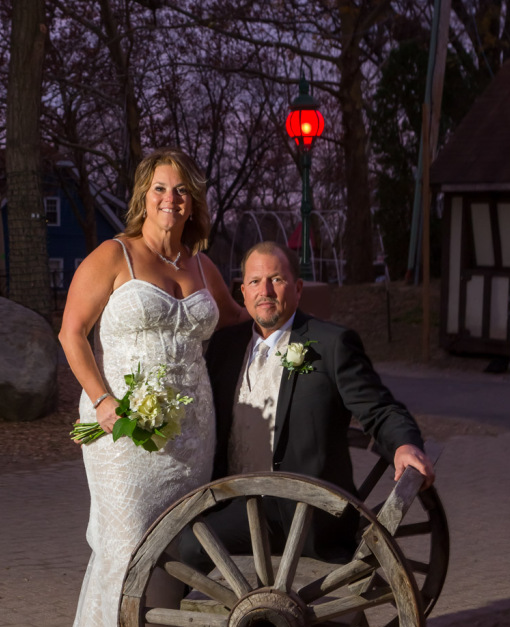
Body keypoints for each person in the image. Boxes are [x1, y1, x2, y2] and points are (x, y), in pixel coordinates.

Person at [59, 148, 245, 627]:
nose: (171, 199)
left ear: (193, 202)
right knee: (126, 539)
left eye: (182, 190)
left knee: (171, 543)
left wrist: (289, 324)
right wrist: (103, 400)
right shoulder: (113, 255)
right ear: (144, 195)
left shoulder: (202, 266)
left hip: (191, 431)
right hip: (123, 427)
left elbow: (237, 318)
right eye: (161, 188)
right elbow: (72, 332)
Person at [180, 241, 434, 568]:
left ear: (298, 289)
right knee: (177, 531)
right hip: (231, 500)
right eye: (255, 281)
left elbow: (380, 409)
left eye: (277, 279)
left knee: (189, 545)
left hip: (302, 512)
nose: (265, 291)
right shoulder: (225, 346)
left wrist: (404, 445)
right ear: (243, 292)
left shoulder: (331, 344)